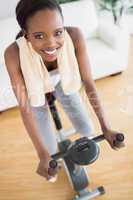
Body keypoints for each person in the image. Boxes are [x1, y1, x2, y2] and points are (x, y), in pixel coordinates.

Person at [4, 0, 124, 181]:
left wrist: (106, 127)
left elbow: (88, 83)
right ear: (26, 35)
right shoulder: (13, 54)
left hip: (63, 80)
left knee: (86, 127)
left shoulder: (74, 36)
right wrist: (42, 154)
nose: (51, 43)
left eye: (58, 32)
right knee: (49, 146)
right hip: (33, 88)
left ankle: (76, 152)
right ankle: (53, 161)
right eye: (39, 36)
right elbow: (24, 107)